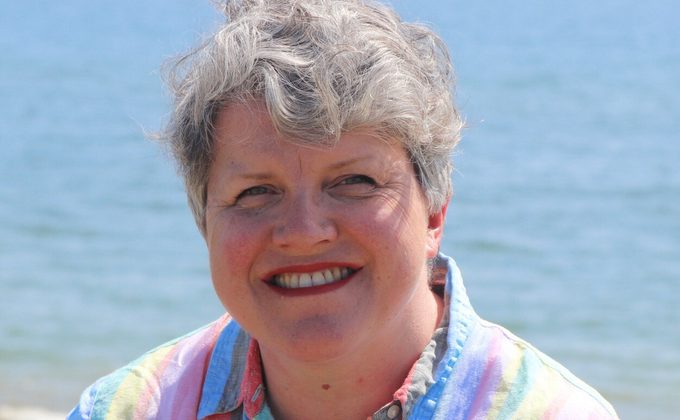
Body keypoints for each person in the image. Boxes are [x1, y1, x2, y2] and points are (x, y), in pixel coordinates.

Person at [69, 0, 619, 418]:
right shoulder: (125, 410)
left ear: (434, 213)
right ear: (204, 221)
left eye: (353, 182)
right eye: (256, 192)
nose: (304, 232)